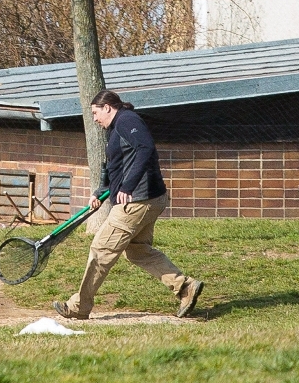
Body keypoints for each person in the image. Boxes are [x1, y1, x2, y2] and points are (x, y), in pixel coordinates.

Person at [53, 90, 204, 320]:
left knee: (101, 249)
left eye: (95, 112)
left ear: (107, 107)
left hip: (137, 200)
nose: (94, 118)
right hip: (150, 198)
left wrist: (128, 187)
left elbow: (145, 148)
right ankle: (185, 287)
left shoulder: (127, 120)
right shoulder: (118, 127)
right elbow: (117, 166)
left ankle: (78, 307)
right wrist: (101, 191)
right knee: (137, 250)